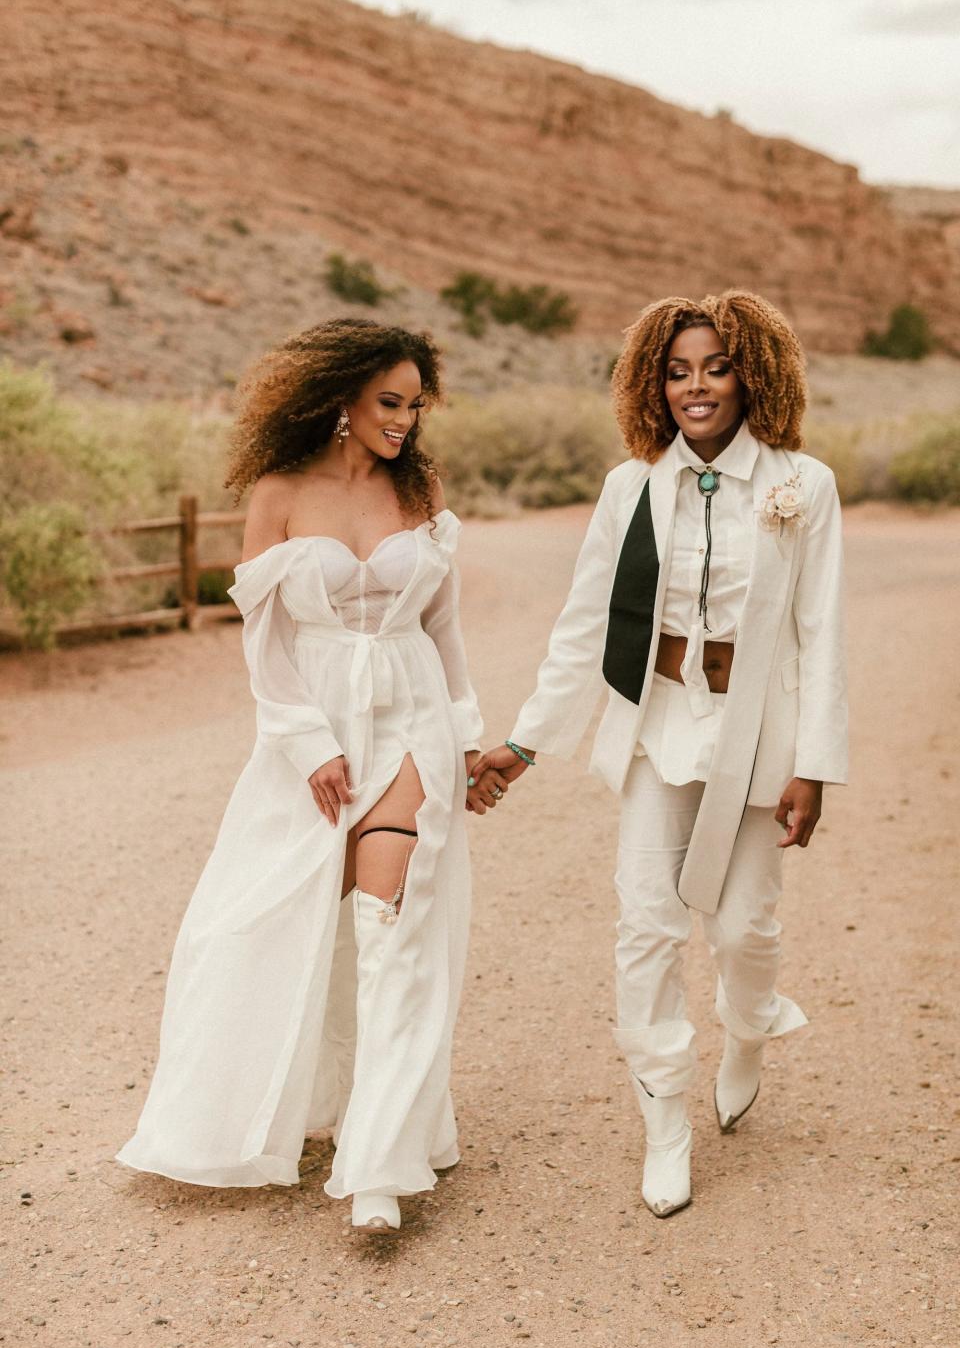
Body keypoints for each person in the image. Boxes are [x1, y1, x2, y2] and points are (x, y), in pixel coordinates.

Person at [118, 318, 508, 1235]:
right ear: (341, 399)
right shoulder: (279, 492)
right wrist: (305, 744)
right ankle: (255, 1112)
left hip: (411, 719)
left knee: (392, 928)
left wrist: (464, 739)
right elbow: (267, 641)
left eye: (416, 405)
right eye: (390, 402)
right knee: (247, 925)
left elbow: (444, 635)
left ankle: (380, 1163)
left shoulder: (421, 493)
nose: (406, 421)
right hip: (319, 734)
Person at [474, 291, 847, 1218]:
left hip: (761, 734)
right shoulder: (628, 488)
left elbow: (823, 631)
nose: (696, 387)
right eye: (677, 371)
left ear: (753, 373)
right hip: (660, 727)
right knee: (646, 925)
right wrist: (525, 743)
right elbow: (584, 625)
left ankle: (749, 1028)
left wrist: (816, 762)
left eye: (716, 366)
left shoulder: (804, 484)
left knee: (744, 930)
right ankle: (665, 1122)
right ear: (653, 383)